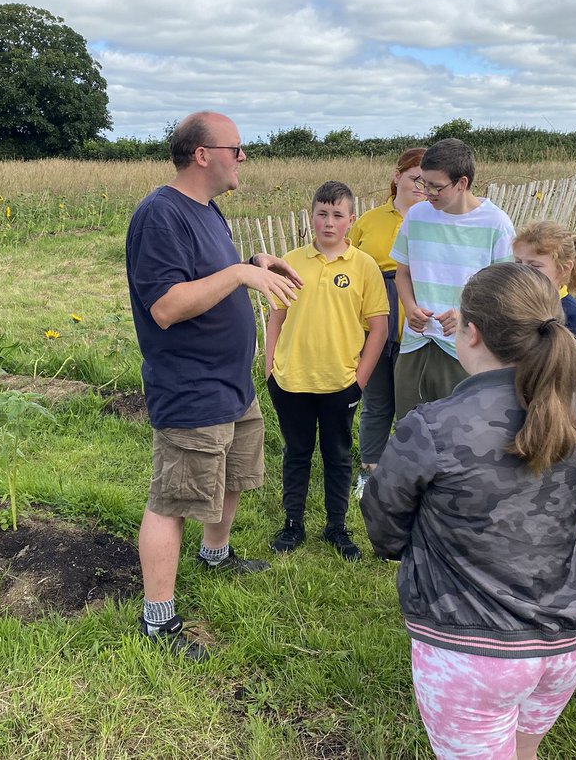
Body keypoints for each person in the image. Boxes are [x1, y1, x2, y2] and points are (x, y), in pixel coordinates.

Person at [361, 262, 576, 760]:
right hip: (566, 640)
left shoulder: (432, 426)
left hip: (472, 650)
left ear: (470, 332)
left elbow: (382, 524)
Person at [125, 110, 303, 660]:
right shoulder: (160, 215)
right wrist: (240, 275)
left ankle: (216, 554)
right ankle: (158, 620)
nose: (243, 157)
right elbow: (166, 306)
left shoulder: (208, 211)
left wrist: (253, 261)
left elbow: (202, 274)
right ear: (203, 154)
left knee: (232, 474)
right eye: (237, 148)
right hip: (191, 385)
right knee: (173, 497)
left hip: (230, 381)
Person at [265, 181, 388, 561]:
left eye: (337, 215)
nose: (329, 222)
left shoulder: (364, 266)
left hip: (341, 383)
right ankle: (292, 524)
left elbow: (379, 327)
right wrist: (269, 368)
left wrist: (360, 379)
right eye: (322, 214)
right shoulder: (292, 261)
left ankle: (337, 526)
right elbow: (276, 317)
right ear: (311, 217)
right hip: (292, 380)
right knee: (296, 453)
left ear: (351, 220)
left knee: (337, 454)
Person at [391, 138, 515, 422]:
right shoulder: (417, 216)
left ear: (462, 183)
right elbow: (403, 273)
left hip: (466, 351)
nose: (427, 193)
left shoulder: (496, 224)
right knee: (411, 434)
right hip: (415, 347)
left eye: (436, 186)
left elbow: (506, 295)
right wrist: (410, 308)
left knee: (459, 438)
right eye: (424, 183)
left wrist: (464, 316)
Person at [349, 147, 426, 496]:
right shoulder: (369, 220)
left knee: (417, 404)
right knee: (378, 401)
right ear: (397, 177)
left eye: (427, 180)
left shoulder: (434, 219)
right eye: (414, 178)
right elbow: (348, 267)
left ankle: (411, 475)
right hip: (375, 319)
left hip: (420, 322)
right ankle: (371, 472)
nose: (420, 186)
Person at [513, 221, 576, 409]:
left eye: (535, 266)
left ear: (563, 269)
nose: (523, 271)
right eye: (518, 262)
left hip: (552, 415)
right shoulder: (512, 305)